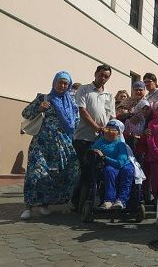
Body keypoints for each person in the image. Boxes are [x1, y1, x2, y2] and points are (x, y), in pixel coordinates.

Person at [20, 71, 80, 220]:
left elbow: (76, 121)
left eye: (66, 83)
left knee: (55, 173)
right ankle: (28, 206)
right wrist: (39, 108)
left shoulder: (71, 103)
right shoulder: (44, 98)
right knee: (35, 172)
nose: (62, 85)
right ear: (54, 82)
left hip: (62, 143)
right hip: (41, 142)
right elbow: (26, 113)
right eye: (60, 82)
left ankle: (45, 204)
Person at [72, 64, 115, 210]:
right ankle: (78, 202)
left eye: (106, 76)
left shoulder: (109, 95)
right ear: (95, 73)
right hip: (84, 138)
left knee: (99, 171)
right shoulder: (84, 89)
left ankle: (95, 200)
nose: (103, 78)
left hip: (102, 140)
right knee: (86, 171)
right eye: (101, 74)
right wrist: (96, 127)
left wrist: (108, 131)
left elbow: (112, 116)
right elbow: (82, 111)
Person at [91, 119, 135, 209]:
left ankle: (121, 200)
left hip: (123, 165)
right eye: (107, 130)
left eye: (113, 130)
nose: (109, 132)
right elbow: (92, 151)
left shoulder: (121, 145)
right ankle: (109, 200)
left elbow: (119, 163)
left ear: (119, 133)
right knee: (109, 170)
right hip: (110, 166)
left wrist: (103, 157)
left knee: (127, 171)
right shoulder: (100, 141)